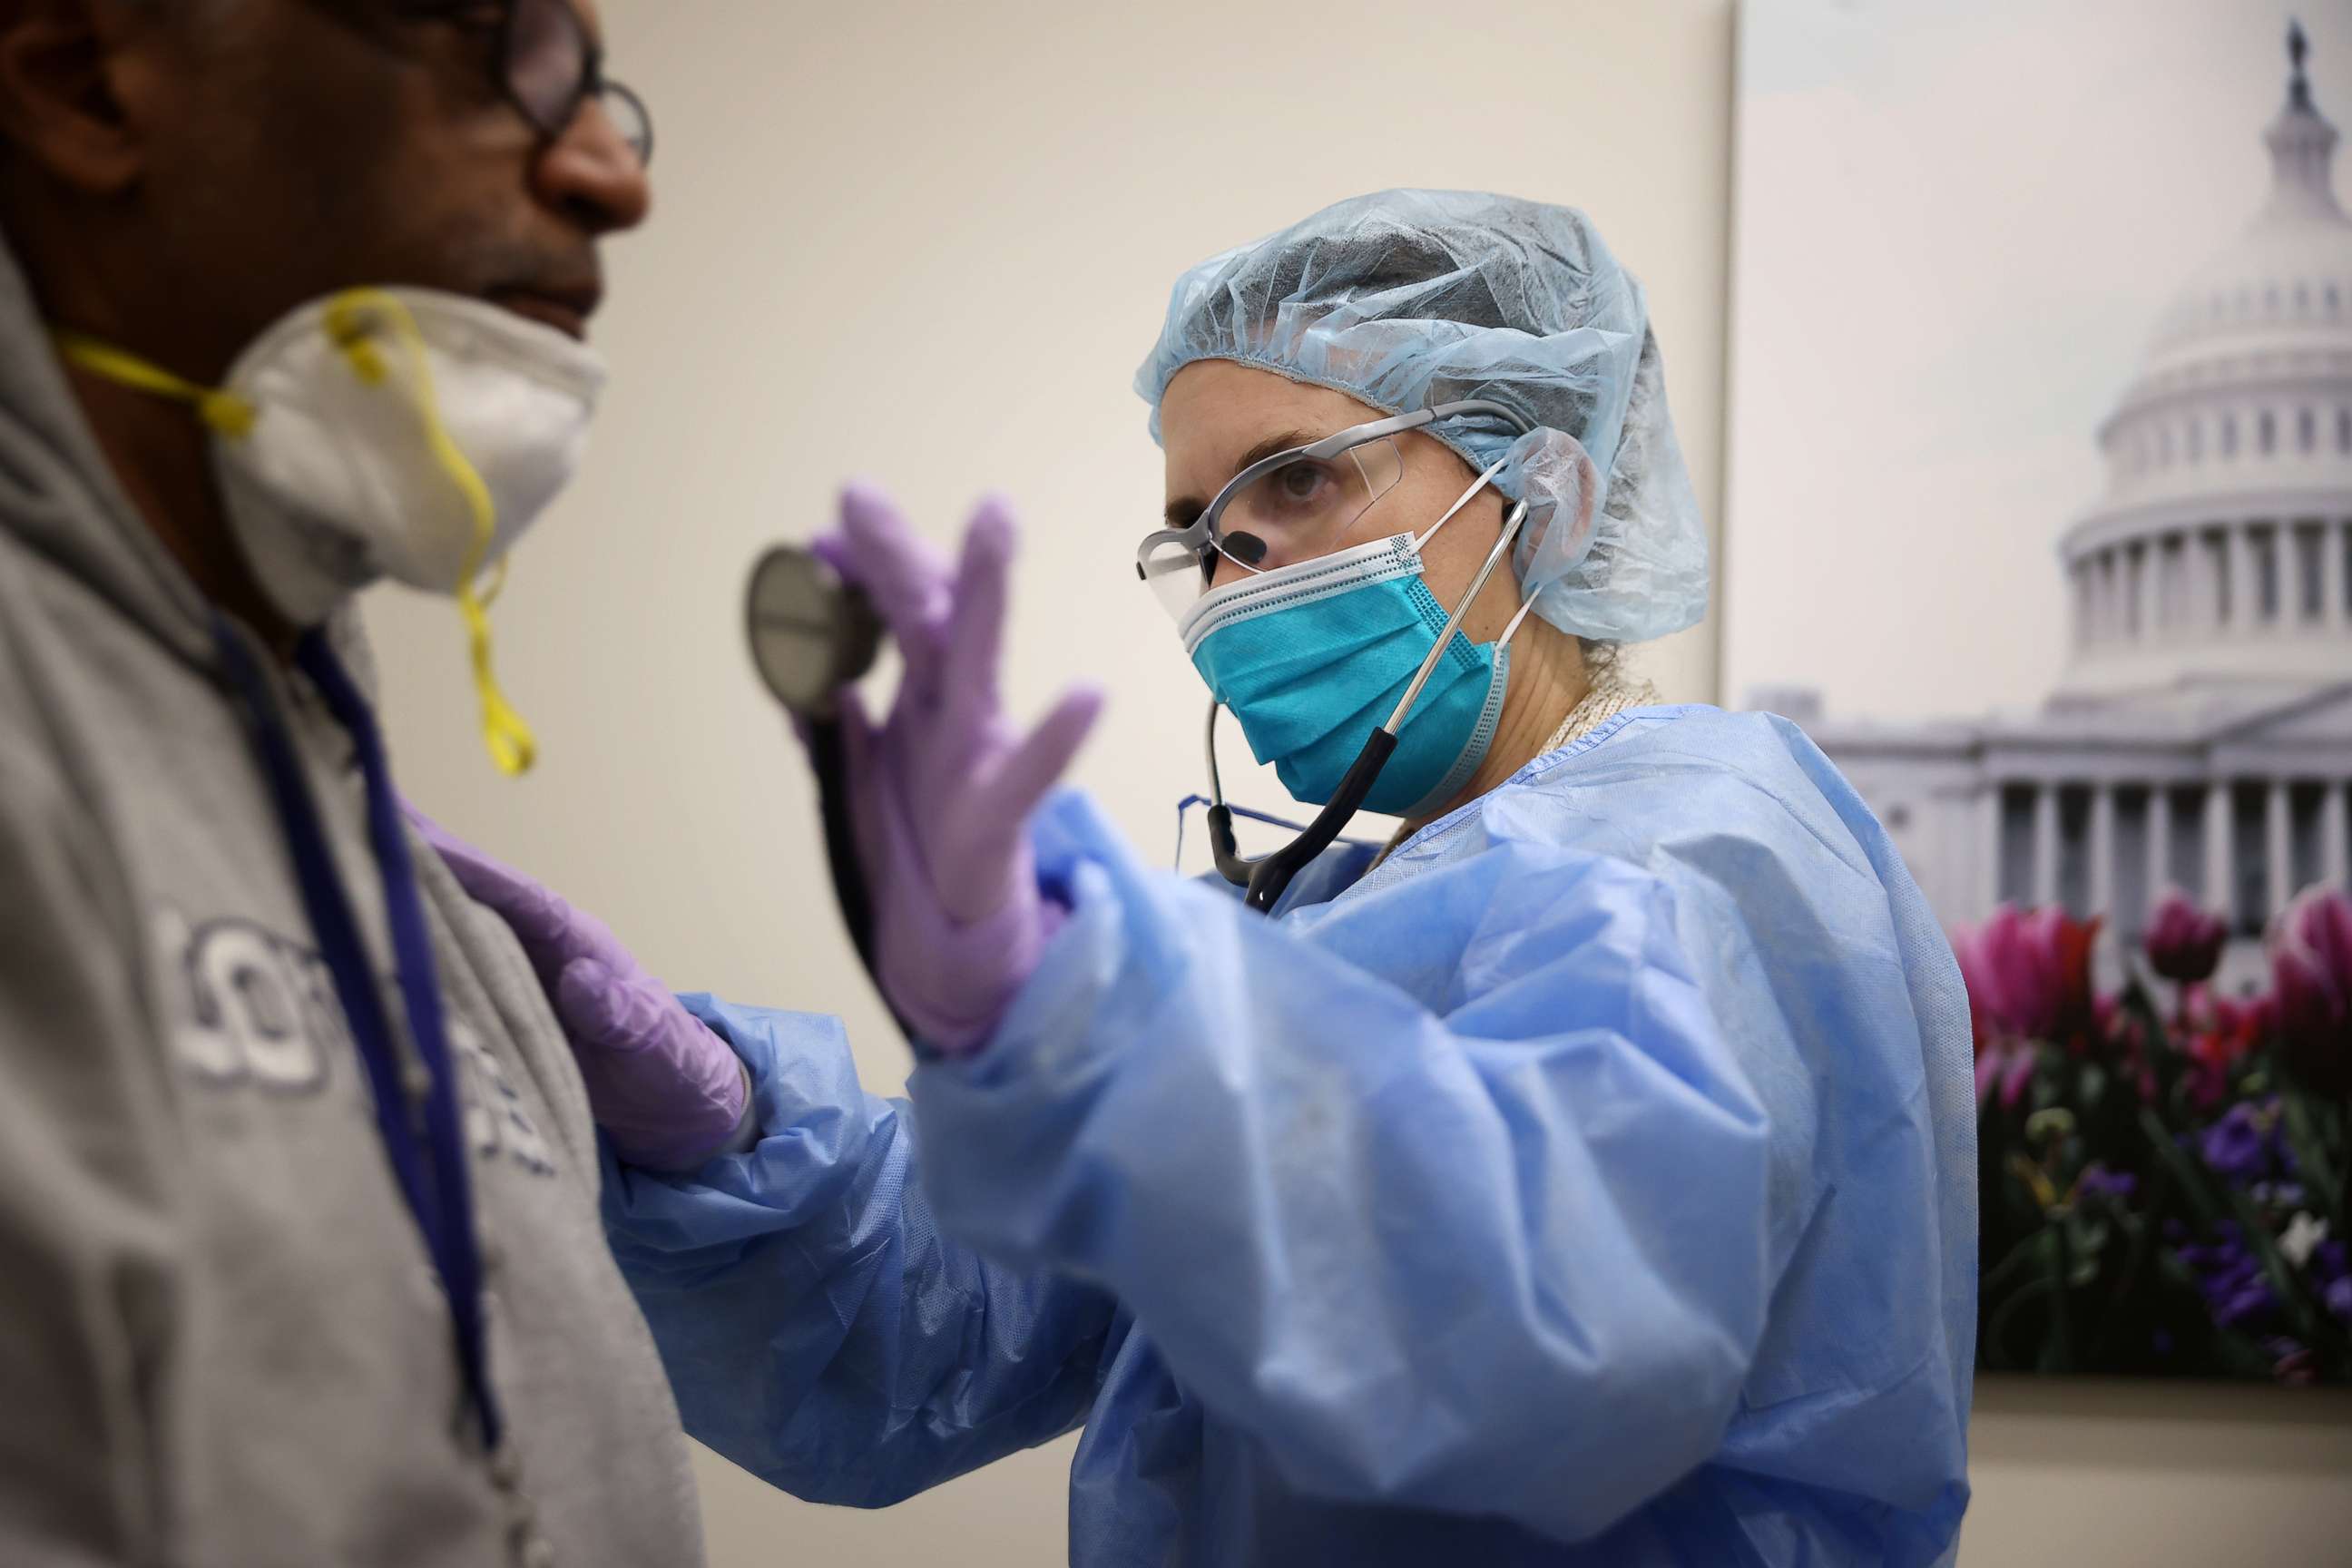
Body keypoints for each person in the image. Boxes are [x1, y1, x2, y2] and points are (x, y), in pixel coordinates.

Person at [452, 190, 1977, 1564]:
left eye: (1297, 482)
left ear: (1550, 499)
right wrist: (720, 1135)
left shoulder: (1697, 848)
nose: (1238, 566)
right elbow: (930, 1343)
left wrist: (1099, 1022)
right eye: (1198, 530)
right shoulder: (1323, 927)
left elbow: (1540, 1348)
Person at [0, 2, 730, 1561]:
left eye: (603, 88)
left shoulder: (370, 842)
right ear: (83, 83)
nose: (612, 173)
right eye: (505, 51)